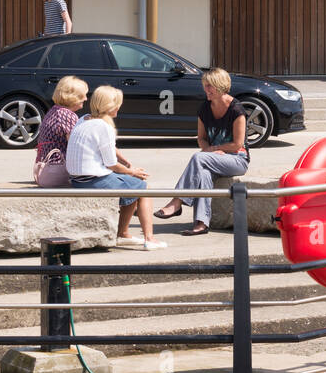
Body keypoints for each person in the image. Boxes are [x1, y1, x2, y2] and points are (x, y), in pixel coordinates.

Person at [66, 85, 165, 250]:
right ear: (110, 106)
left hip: (77, 180)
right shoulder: (104, 127)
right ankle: (149, 238)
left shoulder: (83, 119)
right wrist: (132, 171)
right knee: (144, 187)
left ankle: (123, 234)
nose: (119, 106)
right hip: (93, 181)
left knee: (131, 183)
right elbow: (111, 164)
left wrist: (126, 163)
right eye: (117, 103)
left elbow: (108, 149)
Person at [155, 68, 251, 236]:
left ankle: (177, 202)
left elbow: (237, 144)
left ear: (220, 86)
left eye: (209, 86)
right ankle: (201, 223)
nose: (206, 90)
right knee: (203, 173)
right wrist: (210, 151)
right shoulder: (205, 108)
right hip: (213, 158)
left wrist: (213, 150)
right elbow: (201, 138)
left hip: (237, 160)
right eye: (205, 86)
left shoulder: (236, 110)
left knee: (198, 158)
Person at [34, 75, 88, 187]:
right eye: (83, 95)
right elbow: (77, 147)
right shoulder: (67, 115)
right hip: (58, 170)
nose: (86, 98)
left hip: (45, 168)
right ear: (73, 96)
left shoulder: (54, 110)